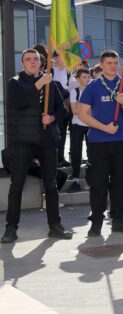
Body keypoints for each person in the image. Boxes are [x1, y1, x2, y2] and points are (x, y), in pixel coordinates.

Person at [2, 49, 72, 244]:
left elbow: (63, 110)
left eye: (36, 59)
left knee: (51, 185)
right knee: (16, 185)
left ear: (41, 63)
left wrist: (52, 118)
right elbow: (18, 103)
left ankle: (55, 225)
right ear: (22, 63)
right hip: (23, 141)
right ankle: (11, 228)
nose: (33, 62)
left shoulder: (52, 83)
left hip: (47, 140)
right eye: (28, 59)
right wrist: (39, 84)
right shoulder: (15, 83)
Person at [77, 50, 123, 236]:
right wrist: (104, 128)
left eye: (115, 62)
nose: (113, 66)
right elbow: (82, 114)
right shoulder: (93, 86)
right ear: (102, 65)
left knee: (121, 181)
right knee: (98, 182)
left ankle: (118, 220)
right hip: (98, 141)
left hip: (121, 141)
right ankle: (96, 221)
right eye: (109, 63)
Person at [67, 68, 91, 192]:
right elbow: (74, 110)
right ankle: (75, 179)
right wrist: (87, 108)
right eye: (84, 77)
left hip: (91, 125)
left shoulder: (92, 91)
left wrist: (80, 106)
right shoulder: (74, 91)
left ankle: (90, 180)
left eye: (88, 77)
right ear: (78, 79)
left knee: (91, 152)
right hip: (77, 124)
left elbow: (95, 110)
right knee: (76, 152)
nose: (87, 79)